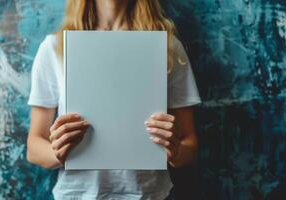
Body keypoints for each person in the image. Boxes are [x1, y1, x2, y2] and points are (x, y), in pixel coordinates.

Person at [26, 0, 202, 199]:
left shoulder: (168, 47)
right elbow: (34, 146)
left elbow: (190, 144)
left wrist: (175, 151)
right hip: (78, 194)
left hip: (148, 194)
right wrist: (56, 152)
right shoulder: (56, 46)